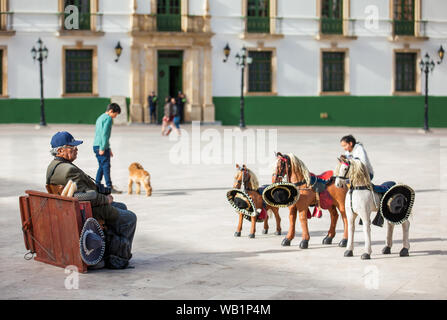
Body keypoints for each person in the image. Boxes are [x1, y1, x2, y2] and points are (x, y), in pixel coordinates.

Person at [47, 131, 137, 269]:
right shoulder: (68, 170)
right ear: (60, 151)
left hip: (76, 209)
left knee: (122, 206)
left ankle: (111, 249)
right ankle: (118, 258)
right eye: (72, 147)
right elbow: (79, 196)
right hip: (89, 210)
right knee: (130, 218)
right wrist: (105, 199)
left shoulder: (53, 166)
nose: (76, 150)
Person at [93, 103, 122, 194]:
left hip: (96, 145)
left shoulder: (100, 117)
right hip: (101, 146)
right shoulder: (108, 118)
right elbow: (104, 134)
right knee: (106, 166)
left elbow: (100, 133)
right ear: (111, 111)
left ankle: (96, 185)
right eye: (116, 114)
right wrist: (103, 148)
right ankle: (109, 186)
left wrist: (108, 148)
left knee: (102, 166)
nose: (115, 116)